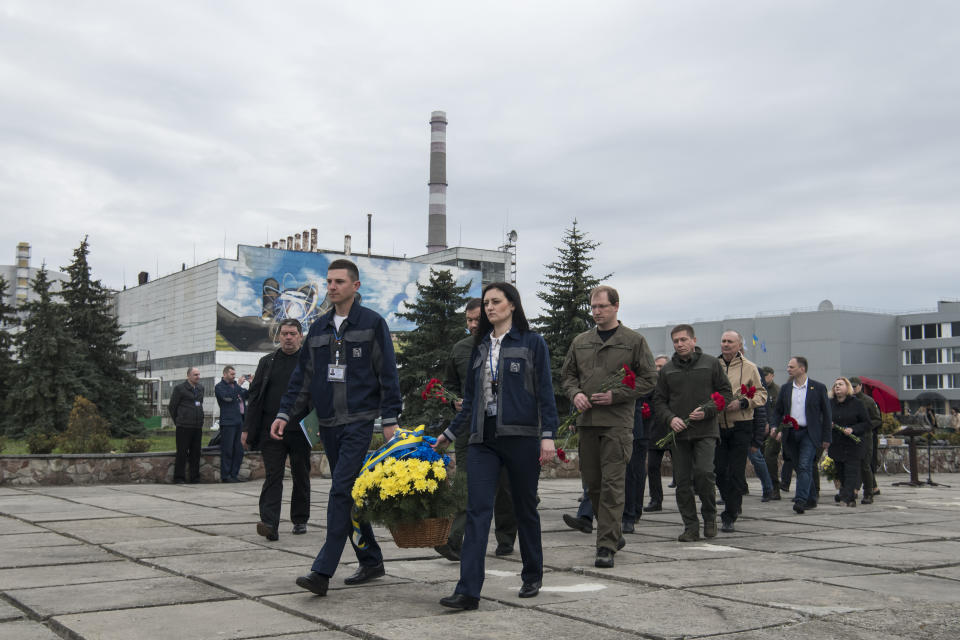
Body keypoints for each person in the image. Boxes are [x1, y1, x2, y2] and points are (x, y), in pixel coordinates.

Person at [274, 259, 402, 598]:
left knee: (340, 492)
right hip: (327, 425)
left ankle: (322, 571)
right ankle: (371, 558)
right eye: (329, 281)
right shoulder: (316, 329)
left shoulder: (373, 324)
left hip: (359, 423)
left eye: (339, 282)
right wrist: (285, 413)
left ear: (355, 286)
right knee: (352, 495)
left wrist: (390, 419)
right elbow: (302, 379)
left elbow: (388, 376)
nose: (331, 287)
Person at [434, 282, 558, 610]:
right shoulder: (479, 348)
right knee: (477, 511)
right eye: (486, 303)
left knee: (524, 507)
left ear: (512, 305)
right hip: (481, 439)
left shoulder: (532, 343)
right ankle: (468, 590)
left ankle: (532, 573)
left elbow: (545, 392)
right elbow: (471, 400)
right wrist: (449, 433)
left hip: (520, 437)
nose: (489, 308)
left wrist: (548, 434)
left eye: (496, 302)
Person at [560, 285, 657, 568]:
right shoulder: (581, 341)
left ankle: (605, 547)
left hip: (617, 423)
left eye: (602, 306)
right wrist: (575, 393)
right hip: (587, 422)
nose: (597, 312)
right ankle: (612, 533)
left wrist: (617, 395)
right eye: (593, 307)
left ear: (616, 306)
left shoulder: (633, 341)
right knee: (592, 484)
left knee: (613, 484)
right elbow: (567, 376)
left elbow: (649, 378)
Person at [435, 298, 517, 562]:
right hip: (468, 429)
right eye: (468, 320)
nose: (472, 325)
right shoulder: (460, 350)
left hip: (503, 429)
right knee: (466, 486)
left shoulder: (509, 344)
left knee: (505, 489)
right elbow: (448, 385)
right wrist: (453, 400)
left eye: (476, 320)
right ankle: (453, 540)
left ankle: (506, 538)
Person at [653, 325, 733, 542]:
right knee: (682, 482)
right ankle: (690, 526)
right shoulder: (667, 370)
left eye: (683, 340)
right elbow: (659, 401)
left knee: (704, 474)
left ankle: (709, 517)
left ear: (693, 340)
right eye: (676, 341)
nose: (679, 344)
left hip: (706, 431)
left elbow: (726, 393)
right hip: (679, 435)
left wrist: (707, 410)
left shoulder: (710, 364)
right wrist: (671, 418)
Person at [242, 319, 312, 541]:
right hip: (270, 430)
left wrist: (319, 426)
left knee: (301, 473)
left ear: (301, 336)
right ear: (279, 336)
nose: (288, 338)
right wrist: (247, 429)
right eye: (284, 334)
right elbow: (254, 397)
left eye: (292, 333)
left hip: (300, 430)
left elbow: (320, 395)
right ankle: (270, 523)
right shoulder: (267, 362)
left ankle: (300, 519)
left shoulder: (309, 361)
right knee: (273, 475)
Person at [714, 331, 766, 532]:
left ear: (739, 346)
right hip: (718, 425)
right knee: (718, 470)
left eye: (730, 342)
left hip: (741, 425)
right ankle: (732, 501)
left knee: (736, 471)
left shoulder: (750, 367)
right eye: (723, 341)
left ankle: (730, 514)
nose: (725, 345)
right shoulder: (713, 366)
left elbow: (761, 394)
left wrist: (744, 402)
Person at [772, 356, 832, 515]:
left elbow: (827, 414)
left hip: (809, 433)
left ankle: (800, 500)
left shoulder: (818, 388)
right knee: (800, 467)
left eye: (791, 367)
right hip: (791, 433)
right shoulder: (785, 389)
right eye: (788, 366)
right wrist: (774, 427)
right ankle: (811, 497)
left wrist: (827, 437)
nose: (788, 369)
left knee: (805, 465)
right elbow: (778, 411)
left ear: (802, 369)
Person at [827, 377, 870, 507]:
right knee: (840, 471)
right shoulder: (830, 404)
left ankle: (847, 497)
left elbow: (866, 423)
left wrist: (853, 429)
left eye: (840, 384)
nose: (837, 387)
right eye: (835, 385)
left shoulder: (857, 403)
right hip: (837, 443)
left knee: (851, 471)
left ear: (848, 387)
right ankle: (847, 495)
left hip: (853, 444)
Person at [168, 367, 204, 483]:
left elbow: (199, 404)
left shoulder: (200, 388)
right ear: (188, 376)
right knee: (182, 452)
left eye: (198, 374)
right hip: (183, 426)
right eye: (195, 375)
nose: (198, 377)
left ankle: (195, 477)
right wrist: (179, 420)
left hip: (197, 426)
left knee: (196, 453)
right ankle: (179, 477)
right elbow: (172, 406)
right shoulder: (180, 389)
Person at [644, 355, 670, 512]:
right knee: (653, 467)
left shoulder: (674, 384)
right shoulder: (650, 384)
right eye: (657, 367)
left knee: (681, 471)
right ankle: (656, 499)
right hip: (654, 431)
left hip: (673, 429)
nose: (659, 370)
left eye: (662, 366)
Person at [849, 376, 881, 504]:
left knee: (865, 465)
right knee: (851, 466)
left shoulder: (868, 401)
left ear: (860, 387)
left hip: (865, 437)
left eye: (855, 386)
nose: (853, 388)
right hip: (850, 437)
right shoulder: (847, 400)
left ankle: (868, 492)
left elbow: (877, 419)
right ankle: (851, 490)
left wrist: (864, 426)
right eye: (851, 386)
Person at [215, 366, 248, 483]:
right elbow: (228, 398)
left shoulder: (237, 386)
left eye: (234, 374)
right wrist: (238, 386)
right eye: (231, 374)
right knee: (227, 449)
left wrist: (253, 383)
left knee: (239, 450)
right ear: (225, 374)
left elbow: (248, 395)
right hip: (228, 422)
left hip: (239, 421)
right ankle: (226, 476)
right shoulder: (220, 387)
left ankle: (234, 475)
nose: (234, 376)